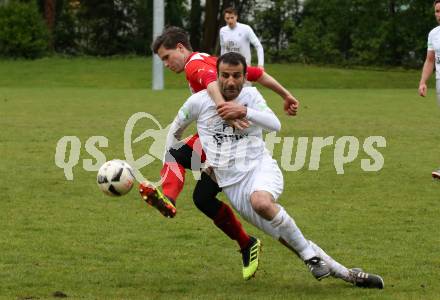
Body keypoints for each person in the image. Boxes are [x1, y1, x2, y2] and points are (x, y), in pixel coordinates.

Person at [164, 52, 385, 288]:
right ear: (215, 76)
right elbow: (175, 130)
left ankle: (311, 258)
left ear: (244, 76)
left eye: (237, 76)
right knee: (291, 239)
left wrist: (244, 112)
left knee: (262, 202)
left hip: (260, 169)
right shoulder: (198, 102)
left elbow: (275, 124)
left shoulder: (250, 96)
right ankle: (347, 274)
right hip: (233, 187)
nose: (230, 82)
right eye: (225, 76)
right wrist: (171, 157)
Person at [140, 26, 298, 280]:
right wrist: (287, 95)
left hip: (225, 145)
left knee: (175, 153)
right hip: (220, 141)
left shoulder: (194, 65)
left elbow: (212, 83)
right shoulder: (210, 60)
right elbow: (258, 74)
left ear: (181, 48)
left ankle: (168, 195)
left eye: (167, 57)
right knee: (202, 198)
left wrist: (223, 107)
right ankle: (248, 245)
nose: (166, 64)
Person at [419, 0, 440, 179]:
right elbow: (430, 60)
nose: (439, 14)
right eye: (437, 11)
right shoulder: (433, 34)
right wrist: (423, 81)